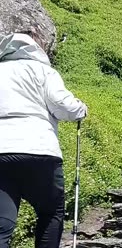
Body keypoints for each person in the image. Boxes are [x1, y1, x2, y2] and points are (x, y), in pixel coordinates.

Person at [0, 32, 87, 248]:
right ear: (37, 47)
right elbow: (63, 105)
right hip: (39, 149)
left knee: (2, 221)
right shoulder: (44, 71)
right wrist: (80, 110)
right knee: (50, 213)